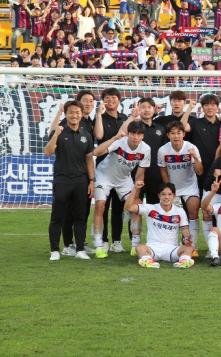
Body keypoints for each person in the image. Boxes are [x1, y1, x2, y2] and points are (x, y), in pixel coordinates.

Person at [44, 100, 95, 261]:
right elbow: (48, 152)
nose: (74, 115)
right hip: (62, 180)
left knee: (80, 217)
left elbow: (89, 159)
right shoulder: (59, 132)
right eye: (71, 112)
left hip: (81, 181)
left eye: (77, 112)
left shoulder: (86, 135)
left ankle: (80, 249)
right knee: (58, 217)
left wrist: (92, 180)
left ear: (81, 114)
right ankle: (55, 250)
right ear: (66, 114)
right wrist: (56, 135)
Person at [91, 121, 150, 258]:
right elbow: (96, 152)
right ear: (128, 133)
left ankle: (135, 246)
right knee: (100, 206)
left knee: (137, 206)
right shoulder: (119, 142)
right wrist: (114, 138)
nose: (136, 137)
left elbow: (140, 173)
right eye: (133, 133)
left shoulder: (145, 149)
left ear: (143, 136)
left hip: (124, 180)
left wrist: (136, 190)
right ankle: (99, 245)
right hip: (104, 176)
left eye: (139, 134)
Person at [181, 94, 221, 254]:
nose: (210, 107)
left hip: (217, 173)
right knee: (193, 212)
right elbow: (183, 127)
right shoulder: (196, 122)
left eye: (213, 105)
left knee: (213, 211)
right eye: (207, 105)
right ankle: (193, 245)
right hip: (196, 173)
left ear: (217, 106)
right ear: (202, 107)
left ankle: (215, 246)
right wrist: (189, 108)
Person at [124, 180, 195, 269]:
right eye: (163, 194)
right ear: (159, 195)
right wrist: (135, 189)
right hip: (152, 248)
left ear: (174, 196)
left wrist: (187, 239)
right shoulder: (150, 208)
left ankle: (184, 261)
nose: (166, 197)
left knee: (189, 248)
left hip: (171, 249)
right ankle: (148, 260)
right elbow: (128, 207)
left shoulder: (180, 211)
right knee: (139, 247)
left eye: (169, 194)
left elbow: (185, 230)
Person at [158, 121, 203, 255]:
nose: (176, 136)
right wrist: (170, 192)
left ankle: (193, 246)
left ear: (183, 134)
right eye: (173, 133)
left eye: (179, 133)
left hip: (190, 186)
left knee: (193, 213)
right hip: (174, 189)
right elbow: (163, 171)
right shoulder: (163, 150)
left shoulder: (191, 148)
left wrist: (195, 157)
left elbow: (200, 172)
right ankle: (172, 245)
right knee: (175, 216)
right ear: (168, 135)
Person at [133, 98, 168, 233]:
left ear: (154, 109)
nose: (146, 110)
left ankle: (157, 238)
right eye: (143, 107)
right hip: (137, 175)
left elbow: (165, 150)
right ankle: (134, 242)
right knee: (136, 209)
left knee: (156, 210)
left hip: (156, 175)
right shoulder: (134, 127)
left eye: (149, 107)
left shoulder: (160, 128)